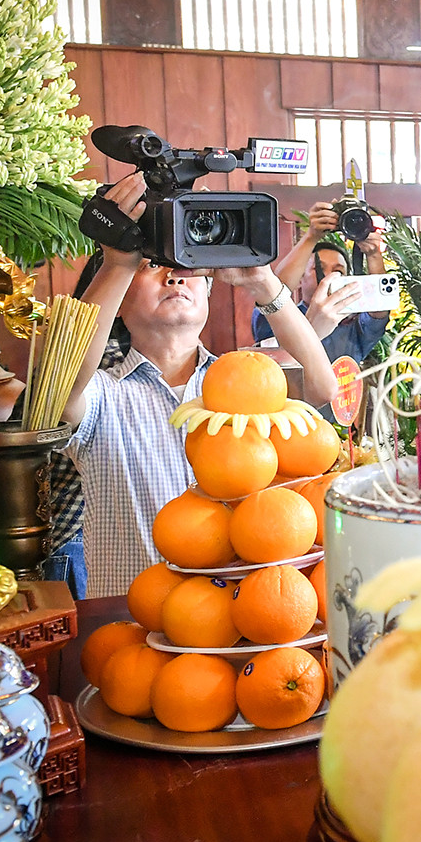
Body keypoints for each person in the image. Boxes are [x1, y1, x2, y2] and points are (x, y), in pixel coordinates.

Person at [61, 173, 337, 597]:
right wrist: (118, 262)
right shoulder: (102, 395)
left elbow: (321, 386)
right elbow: (60, 387)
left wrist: (263, 282)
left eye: (186, 267)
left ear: (208, 290)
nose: (174, 276)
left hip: (236, 621)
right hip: (131, 627)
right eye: (152, 265)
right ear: (117, 305)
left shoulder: (244, 382)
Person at [251, 236, 387, 365]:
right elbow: (272, 296)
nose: (330, 276)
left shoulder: (354, 326)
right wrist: (312, 236)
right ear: (300, 278)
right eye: (319, 268)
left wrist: (373, 254)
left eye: (338, 271)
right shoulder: (281, 317)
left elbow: (379, 308)